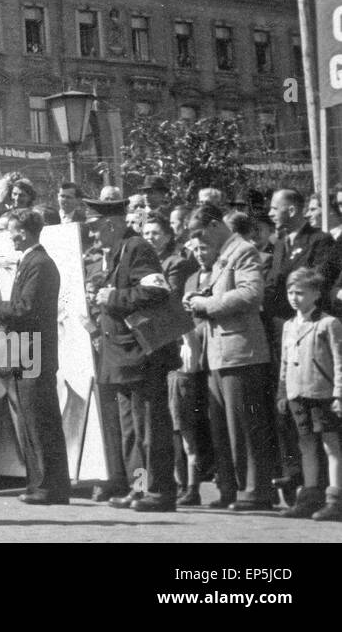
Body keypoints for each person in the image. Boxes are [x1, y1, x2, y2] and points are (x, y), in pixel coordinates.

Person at [85, 194, 178, 512]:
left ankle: (160, 491)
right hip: (123, 357)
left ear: (111, 224)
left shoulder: (136, 247)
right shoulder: (117, 252)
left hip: (141, 356)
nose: (92, 235)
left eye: (95, 228)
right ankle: (139, 489)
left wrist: (114, 296)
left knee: (149, 429)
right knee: (132, 432)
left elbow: (156, 290)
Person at [183, 204, 276, 511]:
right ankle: (230, 488)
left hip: (242, 352)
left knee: (246, 426)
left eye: (199, 234)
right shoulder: (225, 253)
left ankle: (256, 490)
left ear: (213, 224)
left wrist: (206, 303)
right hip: (217, 352)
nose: (198, 242)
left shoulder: (243, 250)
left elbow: (251, 294)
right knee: (222, 427)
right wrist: (196, 299)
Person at [0, 208, 70, 505]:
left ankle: (48, 486)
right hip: (27, 353)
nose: (10, 236)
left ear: (25, 232)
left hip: (34, 354)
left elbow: (25, 308)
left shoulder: (39, 263)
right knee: (34, 422)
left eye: (14, 231)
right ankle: (42, 484)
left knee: (39, 422)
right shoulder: (32, 261)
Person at [264, 187, 342, 504]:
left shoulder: (319, 241)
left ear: (292, 210)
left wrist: (290, 298)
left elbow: (319, 280)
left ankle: (328, 491)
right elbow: (272, 286)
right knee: (295, 420)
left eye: (275, 207)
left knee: (323, 429)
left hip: (312, 334)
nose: (270, 213)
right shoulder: (283, 243)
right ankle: (303, 483)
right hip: (286, 332)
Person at [141, 213, 207, 505]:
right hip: (152, 348)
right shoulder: (145, 264)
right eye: (146, 232)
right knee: (161, 424)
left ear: (169, 236)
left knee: (182, 423)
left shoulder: (175, 264)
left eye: (156, 232)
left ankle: (191, 486)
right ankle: (170, 482)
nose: (150, 237)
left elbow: (168, 300)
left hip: (175, 346)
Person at [277, 267, 342, 520]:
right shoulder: (289, 325)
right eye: (290, 292)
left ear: (316, 294)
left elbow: (339, 362)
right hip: (297, 392)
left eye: (300, 293)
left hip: (322, 392)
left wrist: (339, 395)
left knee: (331, 444)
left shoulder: (329, 323)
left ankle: (335, 499)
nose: (294, 298)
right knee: (306, 444)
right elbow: (284, 362)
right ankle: (310, 496)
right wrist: (283, 392)